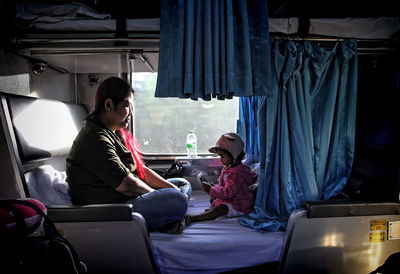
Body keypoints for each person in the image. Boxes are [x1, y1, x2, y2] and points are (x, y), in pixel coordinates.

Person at [66, 76, 191, 234]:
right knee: (177, 200)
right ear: (109, 105)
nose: (131, 113)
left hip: (124, 198)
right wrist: (163, 197)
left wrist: (171, 190)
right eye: (127, 106)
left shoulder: (111, 133)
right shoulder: (95, 138)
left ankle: (171, 218)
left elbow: (141, 171)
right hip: (111, 209)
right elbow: (127, 185)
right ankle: (172, 217)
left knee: (181, 184)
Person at [185, 133, 258, 225]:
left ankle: (193, 218)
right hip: (232, 199)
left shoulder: (236, 174)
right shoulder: (228, 169)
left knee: (221, 209)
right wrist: (214, 187)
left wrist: (210, 190)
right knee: (214, 200)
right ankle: (212, 210)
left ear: (234, 155)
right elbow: (224, 186)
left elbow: (228, 192)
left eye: (222, 156)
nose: (220, 160)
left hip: (239, 204)